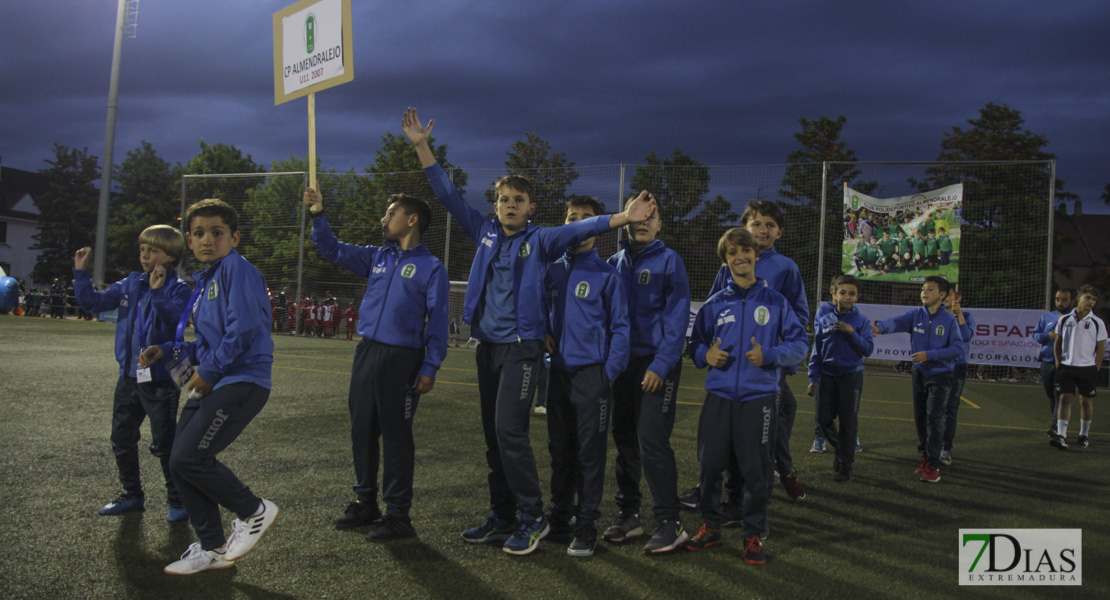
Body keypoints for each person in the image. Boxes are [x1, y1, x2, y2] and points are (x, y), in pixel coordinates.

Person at [403, 107, 655, 556]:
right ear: (496, 204)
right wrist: (423, 146)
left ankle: (533, 516)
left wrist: (621, 217)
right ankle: (502, 515)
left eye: (519, 200)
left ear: (531, 208)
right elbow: (445, 194)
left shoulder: (542, 239)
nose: (511, 205)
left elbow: (583, 225)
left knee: (510, 432)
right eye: (504, 200)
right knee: (492, 437)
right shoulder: (482, 230)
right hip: (488, 348)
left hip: (522, 351)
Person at [138, 198, 278, 575]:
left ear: (234, 238)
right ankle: (213, 548)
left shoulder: (237, 269)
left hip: (241, 380)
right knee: (178, 462)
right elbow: (208, 341)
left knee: (188, 458)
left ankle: (254, 510)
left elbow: (244, 329)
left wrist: (211, 370)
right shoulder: (207, 279)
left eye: (217, 233)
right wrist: (167, 350)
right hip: (217, 380)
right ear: (188, 238)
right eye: (198, 233)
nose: (206, 240)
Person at [305, 185, 448, 542]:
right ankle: (366, 502)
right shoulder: (376, 257)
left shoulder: (431, 267)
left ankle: (399, 516)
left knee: (397, 436)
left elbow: (439, 320)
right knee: (361, 429)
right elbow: (330, 248)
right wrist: (318, 214)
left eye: (390, 214)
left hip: (403, 358)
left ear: (411, 219)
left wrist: (430, 366)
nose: (383, 219)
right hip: (367, 352)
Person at [686, 228, 807, 564]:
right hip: (719, 397)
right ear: (725, 262)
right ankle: (710, 526)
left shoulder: (777, 302)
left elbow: (799, 345)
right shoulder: (714, 304)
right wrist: (705, 357)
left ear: (756, 255)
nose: (740, 257)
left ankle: (754, 534)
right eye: (732, 253)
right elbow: (695, 344)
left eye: (745, 250)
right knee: (710, 466)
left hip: (760, 399)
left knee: (757, 471)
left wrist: (770, 355)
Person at [71, 226, 191, 521]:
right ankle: (131, 495)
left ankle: (177, 500)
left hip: (160, 379)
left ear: (172, 256)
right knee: (121, 438)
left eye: (153, 250)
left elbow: (176, 321)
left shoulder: (179, 288)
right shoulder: (129, 284)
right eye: (142, 249)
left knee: (165, 442)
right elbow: (93, 303)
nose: (145, 255)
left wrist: (158, 292)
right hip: (128, 376)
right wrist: (80, 273)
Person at [602, 193, 691, 554]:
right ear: (626, 217)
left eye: (650, 218)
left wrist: (661, 364)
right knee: (624, 439)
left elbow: (678, 315)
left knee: (651, 441)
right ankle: (630, 514)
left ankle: (670, 522)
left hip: (657, 365)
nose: (642, 222)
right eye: (637, 216)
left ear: (659, 225)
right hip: (621, 365)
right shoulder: (613, 262)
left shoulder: (670, 261)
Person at [542, 196, 630, 557]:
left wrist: (607, 373)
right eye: (572, 217)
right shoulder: (551, 270)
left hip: (592, 376)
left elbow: (621, 328)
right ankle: (560, 518)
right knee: (559, 450)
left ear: (598, 227)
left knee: (590, 453)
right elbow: (539, 313)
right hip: (558, 375)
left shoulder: (608, 275)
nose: (578, 224)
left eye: (586, 218)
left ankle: (587, 524)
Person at [872, 276, 965, 483]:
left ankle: (933, 466)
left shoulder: (949, 320)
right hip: (919, 374)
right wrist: (879, 328)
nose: (924, 292)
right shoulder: (916, 315)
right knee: (921, 417)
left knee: (934, 417)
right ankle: (925, 456)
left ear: (942, 295)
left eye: (930, 289)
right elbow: (895, 322)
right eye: (923, 288)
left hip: (941, 375)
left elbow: (957, 349)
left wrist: (930, 355)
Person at [806, 274, 873, 482]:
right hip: (827, 376)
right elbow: (817, 350)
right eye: (842, 292)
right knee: (824, 419)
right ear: (833, 293)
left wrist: (851, 332)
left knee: (848, 422)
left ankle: (846, 466)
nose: (847, 297)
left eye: (852, 294)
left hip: (850, 377)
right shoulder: (825, 319)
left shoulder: (861, 321)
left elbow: (868, 349)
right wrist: (813, 377)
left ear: (858, 297)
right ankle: (842, 448)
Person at [1050, 285, 1107, 450]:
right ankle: (1061, 435)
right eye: (1088, 298)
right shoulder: (1065, 319)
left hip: (1087, 368)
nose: (1091, 302)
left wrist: (1096, 366)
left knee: (1086, 401)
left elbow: (1101, 347)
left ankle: (1084, 434)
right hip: (1067, 366)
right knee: (1065, 399)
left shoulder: (1097, 322)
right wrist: (1058, 361)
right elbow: (1058, 342)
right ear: (1079, 298)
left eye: (1094, 299)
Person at [940, 289, 975, 465]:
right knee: (934, 407)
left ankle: (945, 447)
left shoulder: (966, 316)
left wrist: (958, 313)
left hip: (958, 366)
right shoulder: (937, 315)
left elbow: (966, 336)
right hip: (938, 365)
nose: (946, 298)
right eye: (943, 295)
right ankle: (931, 445)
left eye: (949, 295)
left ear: (958, 298)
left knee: (950, 408)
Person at [1033, 289, 1075, 436]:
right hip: (1047, 362)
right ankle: (1057, 422)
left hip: (1065, 364)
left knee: (1060, 396)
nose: (1060, 303)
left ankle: (1056, 426)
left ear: (1072, 301)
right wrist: (1047, 335)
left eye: (1064, 300)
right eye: (1058, 299)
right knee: (1051, 395)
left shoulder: (1075, 318)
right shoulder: (1047, 317)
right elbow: (1036, 335)